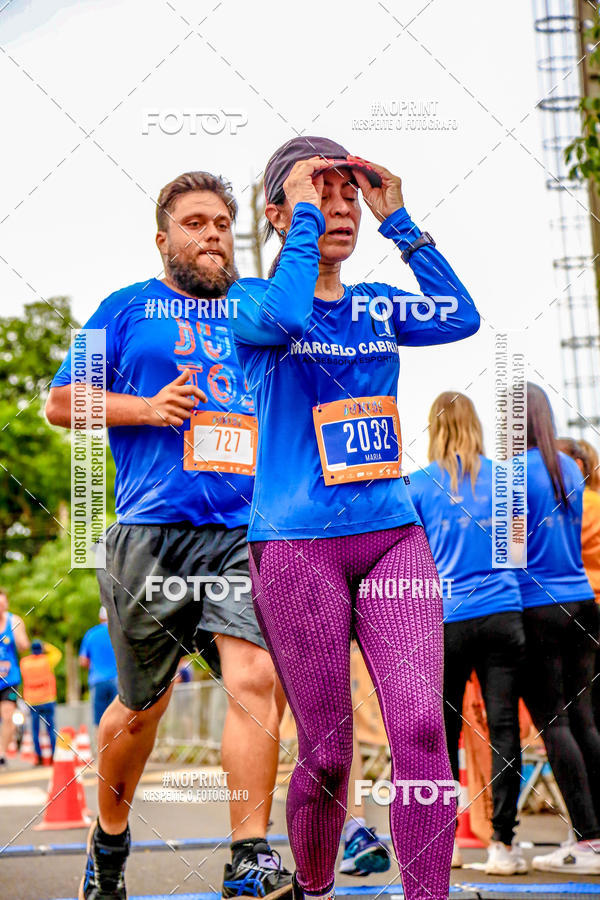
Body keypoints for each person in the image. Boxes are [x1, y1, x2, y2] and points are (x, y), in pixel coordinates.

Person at [228, 135, 480, 900]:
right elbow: (288, 311)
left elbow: (460, 317)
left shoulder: (378, 305)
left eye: (347, 198)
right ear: (278, 215)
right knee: (330, 750)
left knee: (423, 729)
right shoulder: (251, 302)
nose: (339, 211)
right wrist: (302, 220)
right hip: (298, 549)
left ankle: (427, 895)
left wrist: (401, 222)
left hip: (393, 538)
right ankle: (316, 885)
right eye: (316, 198)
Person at [46, 171, 290, 900]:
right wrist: (145, 409)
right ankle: (109, 844)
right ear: (164, 239)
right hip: (151, 532)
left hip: (243, 530)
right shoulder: (125, 309)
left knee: (255, 680)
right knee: (141, 705)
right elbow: (61, 403)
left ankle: (249, 858)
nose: (211, 234)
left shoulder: (254, 307)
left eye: (221, 222)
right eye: (194, 223)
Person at [408, 392, 527, 875]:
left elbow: (410, 561)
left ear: (434, 428)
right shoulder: (506, 481)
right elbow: (519, 555)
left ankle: (446, 842)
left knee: (442, 733)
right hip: (503, 613)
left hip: (446, 618)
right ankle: (501, 844)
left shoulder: (418, 486)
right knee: (504, 731)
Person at [518, 384, 600, 874]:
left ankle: (587, 840)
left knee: (556, 725)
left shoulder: (513, 476)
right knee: (586, 722)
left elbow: (506, 553)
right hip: (581, 604)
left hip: (537, 605)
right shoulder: (568, 468)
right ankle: (594, 835)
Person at [0, 588, 30, 766]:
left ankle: (1, 753)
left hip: (9, 679)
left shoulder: (14, 621)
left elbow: (24, 645)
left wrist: (19, 638)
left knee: (8, 714)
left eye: (3, 605)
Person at [20, 639, 62, 764]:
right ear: (41, 649)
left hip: (32, 701)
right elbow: (57, 653)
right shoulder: (47, 660)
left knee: (35, 731)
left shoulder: (24, 663)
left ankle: (38, 757)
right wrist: (46, 645)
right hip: (47, 699)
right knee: (51, 729)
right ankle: (54, 756)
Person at [78, 608, 118, 729]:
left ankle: (102, 746)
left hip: (97, 681)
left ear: (100, 618)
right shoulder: (118, 632)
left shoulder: (91, 634)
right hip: (117, 681)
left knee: (99, 720)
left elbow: (83, 661)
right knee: (117, 717)